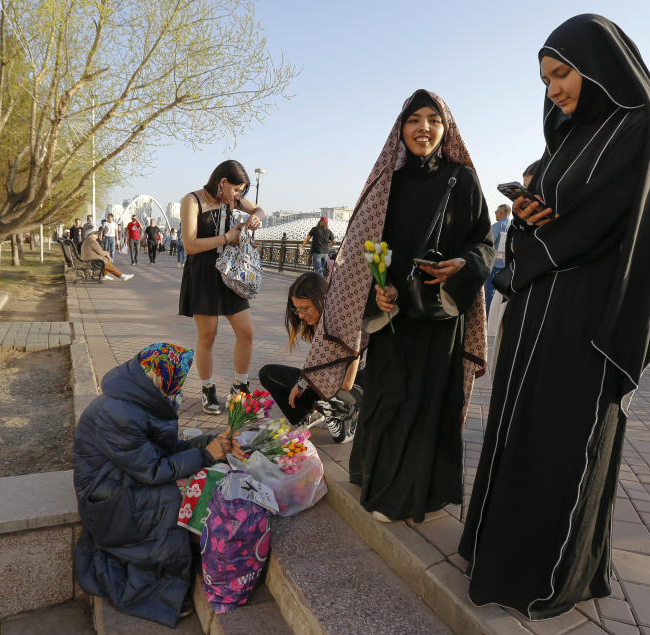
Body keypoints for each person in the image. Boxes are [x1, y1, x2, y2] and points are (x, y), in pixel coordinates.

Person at [458, 14, 650, 619]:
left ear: (598, 66)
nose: (553, 88)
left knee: (561, 437)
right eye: (545, 78)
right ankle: (496, 555)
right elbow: (557, 213)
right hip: (536, 307)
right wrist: (531, 215)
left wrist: (547, 230)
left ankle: (546, 574)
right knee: (517, 428)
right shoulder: (572, 134)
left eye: (562, 73)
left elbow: (615, 222)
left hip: (585, 318)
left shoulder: (643, 126)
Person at [302, 90, 493, 524]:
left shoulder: (461, 180)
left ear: (446, 129)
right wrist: (377, 291)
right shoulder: (388, 181)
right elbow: (362, 251)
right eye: (414, 120)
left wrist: (463, 263)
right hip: (390, 314)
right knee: (387, 396)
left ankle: (412, 496)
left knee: (426, 402)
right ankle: (377, 480)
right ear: (400, 128)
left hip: (439, 315)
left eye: (433, 120)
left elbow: (482, 242)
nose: (423, 128)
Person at [73, 343, 243, 627]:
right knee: (170, 498)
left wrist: (210, 443)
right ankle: (169, 577)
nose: (179, 388)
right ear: (162, 377)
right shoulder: (121, 413)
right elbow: (153, 469)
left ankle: (186, 553)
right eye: (177, 380)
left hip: (121, 478)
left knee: (197, 479)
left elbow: (166, 450)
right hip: (106, 496)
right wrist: (204, 454)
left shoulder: (141, 398)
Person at [178, 160, 264, 414]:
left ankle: (240, 385)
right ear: (223, 183)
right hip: (203, 273)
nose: (239, 196)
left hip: (230, 271)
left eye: (242, 193)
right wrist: (227, 237)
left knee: (246, 331)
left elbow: (259, 209)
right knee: (208, 335)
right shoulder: (191, 201)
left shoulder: (231, 200)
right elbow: (190, 245)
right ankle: (207, 388)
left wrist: (256, 218)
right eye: (237, 190)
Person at [259, 272, 362, 443]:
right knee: (268, 373)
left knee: (339, 437)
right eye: (297, 309)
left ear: (323, 298)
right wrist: (303, 382)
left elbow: (346, 382)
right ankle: (307, 415)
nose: (300, 316)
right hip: (328, 382)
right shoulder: (316, 324)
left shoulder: (344, 325)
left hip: (353, 387)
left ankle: (349, 415)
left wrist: (308, 382)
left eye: (305, 309)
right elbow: (318, 364)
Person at [483, 203, 512, 317]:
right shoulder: (512, 226)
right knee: (500, 295)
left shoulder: (497, 226)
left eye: (496, 212)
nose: (495, 214)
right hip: (506, 266)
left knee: (489, 291)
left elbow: (487, 243)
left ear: (501, 213)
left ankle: (488, 317)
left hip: (494, 264)